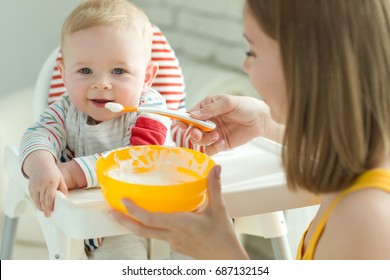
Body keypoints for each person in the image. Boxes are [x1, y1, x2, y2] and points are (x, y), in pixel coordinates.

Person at [111, 0, 390, 260]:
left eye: (252, 51)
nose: (246, 65)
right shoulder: (354, 168)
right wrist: (264, 124)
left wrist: (224, 255)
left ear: (304, 63)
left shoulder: (364, 219)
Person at [20, 0, 173, 259]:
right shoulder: (67, 109)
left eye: (118, 71)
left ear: (146, 77)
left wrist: (71, 174)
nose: (102, 83)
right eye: (86, 70)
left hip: (162, 219)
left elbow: (139, 159)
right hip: (104, 227)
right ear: (64, 75)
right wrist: (41, 165)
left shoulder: (152, 110)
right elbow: (38, 133)